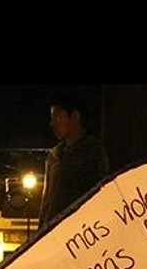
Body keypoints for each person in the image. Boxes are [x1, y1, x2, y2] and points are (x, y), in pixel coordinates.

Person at [38, 91, 108, 229]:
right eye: (52, 118)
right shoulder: (55, 155)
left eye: (58, 117)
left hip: (78, 231)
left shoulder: (93, 152)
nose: (53, 124)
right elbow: (47, 200)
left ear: (74, 117)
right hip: (52, 230)